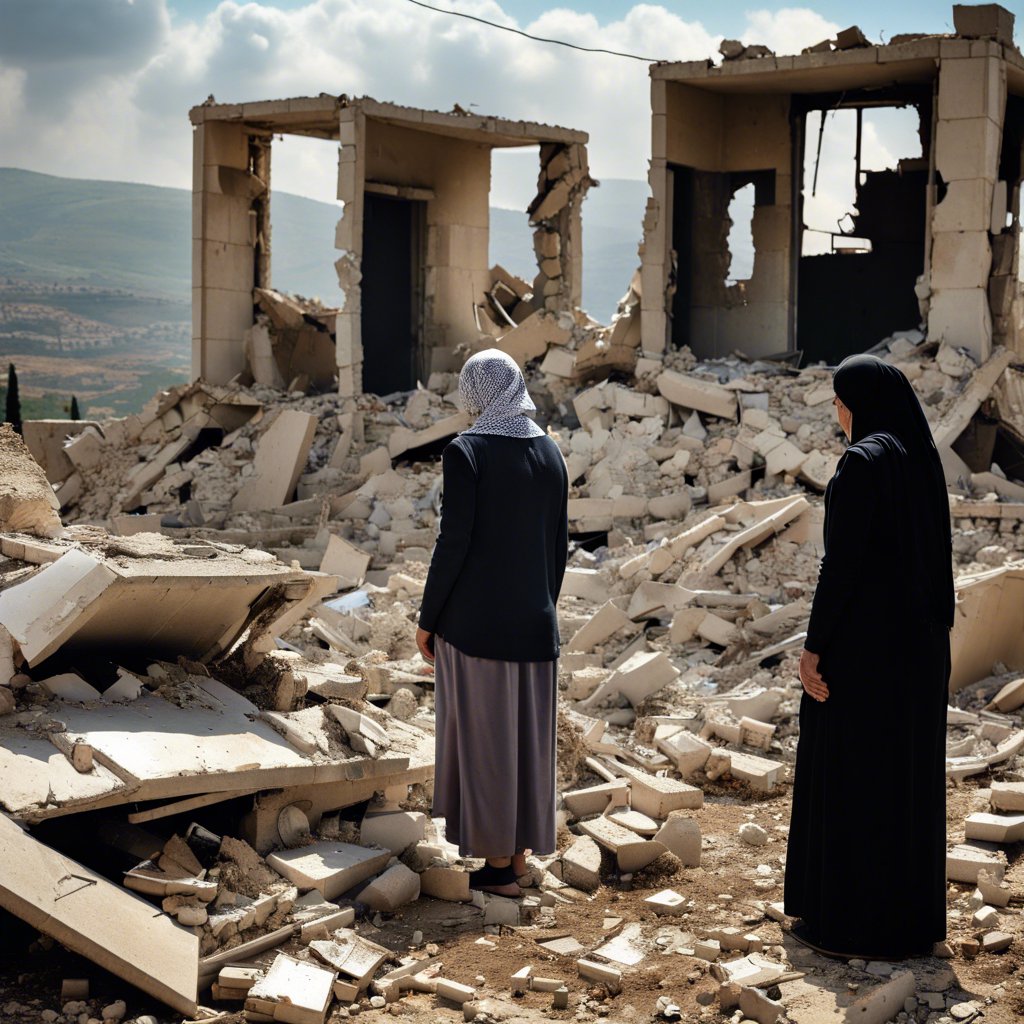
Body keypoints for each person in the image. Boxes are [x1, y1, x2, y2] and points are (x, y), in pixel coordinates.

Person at [784, 353, 954, 960]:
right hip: (922, 654)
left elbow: (843, 566)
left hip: (865, 655)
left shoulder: (862, 462)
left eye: (837, 402)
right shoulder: (923, 460)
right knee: (905, 782)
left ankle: (847, 926)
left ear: (853, 404)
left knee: (853, 779)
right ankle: (907, 927)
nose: (836, 414)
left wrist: (814, 646)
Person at [416, 349, 568, 897]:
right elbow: (559, 548)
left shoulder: (467, 452)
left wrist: (427, 619)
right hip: (535, 626)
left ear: (474, 392)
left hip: (476, 629)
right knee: (526, 744)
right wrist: (539, 606)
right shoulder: (550, 451)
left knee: (486, 745)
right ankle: (519, 859)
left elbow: (453, 543)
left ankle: (500, 867)